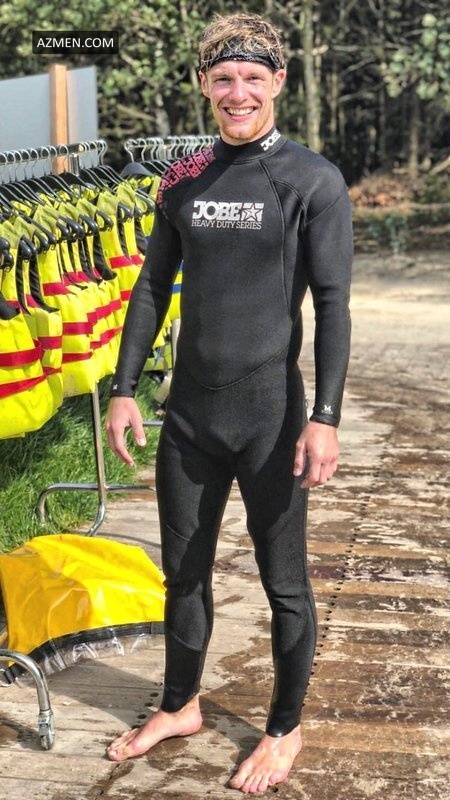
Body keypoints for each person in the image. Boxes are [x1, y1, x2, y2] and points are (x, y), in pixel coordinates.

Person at [105, 11, 352, 795]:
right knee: (183, 573)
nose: (237, 92)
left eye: (251, 77)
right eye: (222, 79)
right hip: (189, 417)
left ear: (278, 81)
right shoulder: (183, 178)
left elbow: (334, 305)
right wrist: (123, 390)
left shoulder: (312, 179)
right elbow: (151, 288)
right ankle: (179, 705)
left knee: (285, 583)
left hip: (271, 417)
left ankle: (284, 728)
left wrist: (326, 419)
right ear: (204, 87)